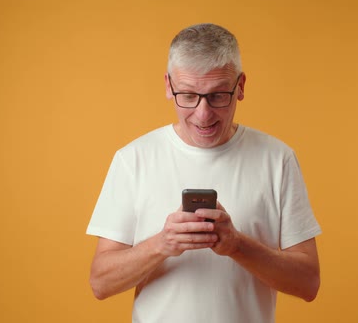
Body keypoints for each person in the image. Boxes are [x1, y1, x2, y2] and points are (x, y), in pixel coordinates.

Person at [87, 23, 321, 323]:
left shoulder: (278, 159)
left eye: (218, 95)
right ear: (168, 86)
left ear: (241, 87)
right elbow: (100, 283)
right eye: (188, 95)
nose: (203, 114)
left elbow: (308, 283)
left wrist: (237, 245)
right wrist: (162, 244)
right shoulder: (133, 159)